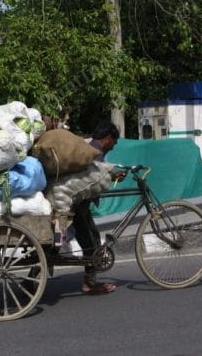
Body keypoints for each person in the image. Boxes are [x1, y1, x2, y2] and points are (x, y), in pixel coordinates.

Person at [73, 121, 124, 294]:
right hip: (77, 207)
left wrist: (112, 176)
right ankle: (89, 284)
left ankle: (33, 275)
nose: (114, 145)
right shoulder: (95, 153)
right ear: (108, 138)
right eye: (114, 141)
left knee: (92, 238)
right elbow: (93, 181)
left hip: (79, 206)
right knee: (90, 243)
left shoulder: (89, 146)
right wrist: (111, 177)